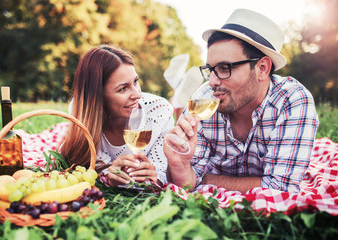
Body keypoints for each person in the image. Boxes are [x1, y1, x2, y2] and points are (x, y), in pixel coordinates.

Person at [164, 8, 319, 193]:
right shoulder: (203, 100)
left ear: (262, 68)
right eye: (210, 69)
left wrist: (204, 179)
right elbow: (187, 183)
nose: (212, 81)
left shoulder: (292, 101)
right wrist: (179, 163)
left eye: (224, 68)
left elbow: (281, 188)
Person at [61, 45, 174, 186]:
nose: (137, 94)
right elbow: (79, 159)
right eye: (123, 89)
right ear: (98, 96)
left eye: (135, 81)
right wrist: (108, 174)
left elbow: (161, 174)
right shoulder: (81, 111)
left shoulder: (160, 111)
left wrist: (152, 177)